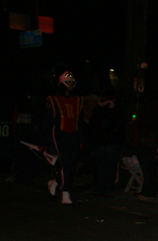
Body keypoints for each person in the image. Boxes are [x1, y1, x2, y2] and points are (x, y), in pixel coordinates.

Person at [43, 69, 85, 205]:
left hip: (74, 134)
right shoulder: (53, 100)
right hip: (60, 134)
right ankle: (65, 191)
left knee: (72, 165)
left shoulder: (78, 100)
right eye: (68, 82)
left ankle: (55, 182)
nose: (71, 84)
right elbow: (47, 121)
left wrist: (82, 139)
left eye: (72, 82)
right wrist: (45, 140)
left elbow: (80, 120)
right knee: (66, 163)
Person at [89, 88, 124, 193]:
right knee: (101, 165)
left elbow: (117, 126)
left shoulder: (116, 109)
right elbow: (94, 122)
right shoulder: (100, 109)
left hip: (110, 142)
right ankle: (101, 186)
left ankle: (107, 187)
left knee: (108, 165)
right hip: (102, 142)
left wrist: (107, 136)